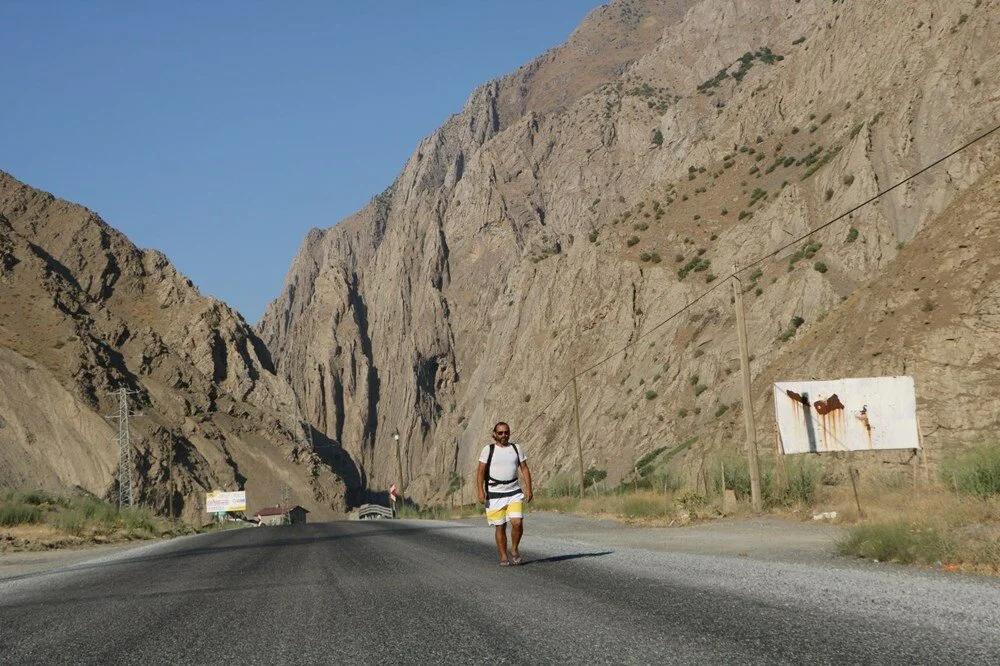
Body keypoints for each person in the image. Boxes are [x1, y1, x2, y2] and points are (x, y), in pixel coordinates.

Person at [477, 421, 532, 566]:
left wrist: (529, 489)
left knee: (517, 523)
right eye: (500, 433)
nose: (503, 435)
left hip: (514, 491)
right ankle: (503, 555)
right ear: (494, 434)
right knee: (500, 526)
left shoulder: (516, 448)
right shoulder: (488, 450)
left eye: (506, 432)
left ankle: (514, 549)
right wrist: (480, 491)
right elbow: (480, 472)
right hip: (494, 493)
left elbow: (524, 468)